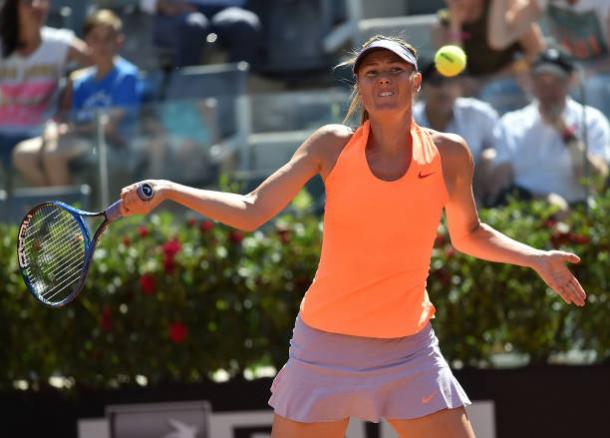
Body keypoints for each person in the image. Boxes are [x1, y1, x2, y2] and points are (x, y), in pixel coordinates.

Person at [120, 36, 587, 438]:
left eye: (395, 71)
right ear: (360, 87)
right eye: (371, 73)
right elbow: (251, 210)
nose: (383, 80)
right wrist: (169, 190)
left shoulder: (450, 154)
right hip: (325, 348)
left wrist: (535, 258)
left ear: (416, 82)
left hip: (409, 349)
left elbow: (468, 235)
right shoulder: (331, 145)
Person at [12, 9, 141, 187]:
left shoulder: (127, 75)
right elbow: (67, 117)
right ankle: (58, 205)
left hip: (112, 145)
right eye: (95, 38)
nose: (102, 45)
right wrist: (53, 127)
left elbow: (108, 127)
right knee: (22, 155)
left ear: (118, 42)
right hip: (80, 140)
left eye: (108, 39)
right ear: (86, 42)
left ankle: (67, 210)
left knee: (53, 154)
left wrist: (68, 131)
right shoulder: (80, 81)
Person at [486, 47, 610, 211]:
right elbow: (500, 185)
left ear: (571, 81)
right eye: (541, 80)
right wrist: (546, 203)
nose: (548, 89)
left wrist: (564, 132)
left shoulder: (591, 120)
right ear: (532, 81)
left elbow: (596, 181)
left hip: (577, 214)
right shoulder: (511, 123)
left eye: (556, 81)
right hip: (526, 213)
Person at [0, 0, 91, 188]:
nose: (37, 6)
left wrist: (75, 80)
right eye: (27, 2)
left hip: (42, 133)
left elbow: (100, 60)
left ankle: (57, 211)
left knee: (29, 156)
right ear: (13, 8)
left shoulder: (59, 43)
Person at [489, 0, 610, 117]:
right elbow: (500, 39)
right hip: (553, 70)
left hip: (595, 74)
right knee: (496, 92)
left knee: (591, 88)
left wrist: (585, 73)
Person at [435, 0, 545, 113]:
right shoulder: (442, 26)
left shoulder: (508, 8)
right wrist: (455, 24)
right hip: (473, 89)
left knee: (490, 94)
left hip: (511, 81)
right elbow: (455, 70)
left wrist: (515, 69)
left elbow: (536, 51)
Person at [414, 61, 499, 203]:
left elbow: (501, 150)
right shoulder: (406, 118)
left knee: (490, 157)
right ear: (422, 87)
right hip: (418, 197)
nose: (444, 89)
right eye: (437, 81)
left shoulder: (479, 113)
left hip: (472, 194)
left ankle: (482, 211)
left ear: (461, 86)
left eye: (451, 82)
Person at [139, 0, 261, 68]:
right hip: (182, 12)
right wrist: (166, 5)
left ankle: (234, 91)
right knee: (193, 25)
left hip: (230, 11)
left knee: (246, 24)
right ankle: (185, 93)